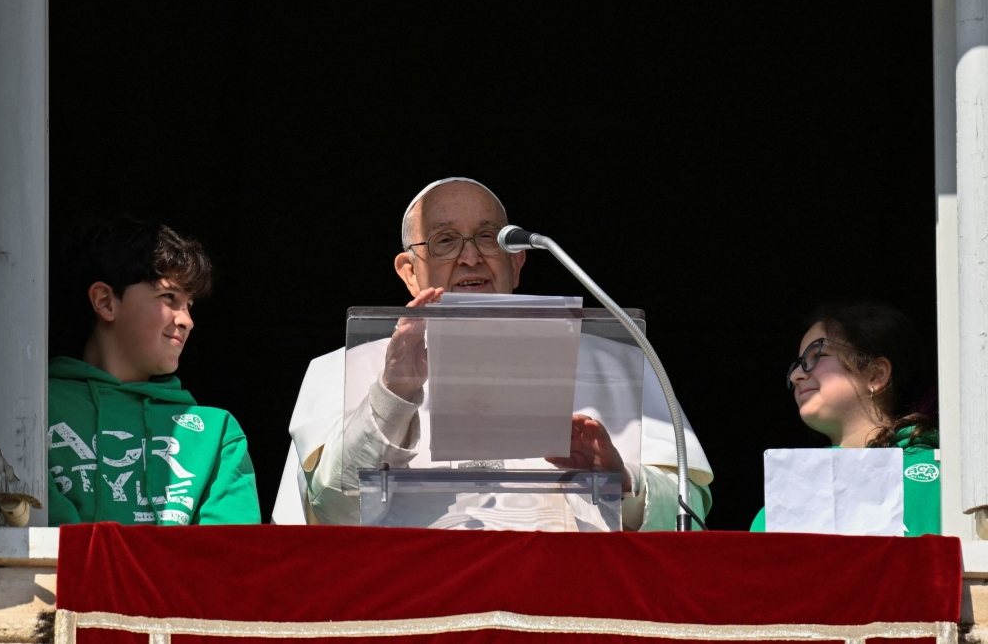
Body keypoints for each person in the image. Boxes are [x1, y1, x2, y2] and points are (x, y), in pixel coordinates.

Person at [272, 177, 713, 531]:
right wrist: (392, 396)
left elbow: (687, 515)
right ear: (409, 272)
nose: (471, 257)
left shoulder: (619, 365)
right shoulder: (338, 370)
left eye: (488, 238)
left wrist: (624, 484)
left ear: (517, 263)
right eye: (445, 241)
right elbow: (327, 516)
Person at [48, 217, 260, 526]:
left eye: (189, 305)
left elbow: (229, 559)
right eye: (169, 298)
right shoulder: (29, 410)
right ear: (106, 302)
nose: (186, 320)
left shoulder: (216, 432)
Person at [750, 301, 939, 535]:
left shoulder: (945, 474)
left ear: (876, 374)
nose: (798, 375)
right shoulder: (788, 494)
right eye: (797, 365)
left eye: (817, 355)